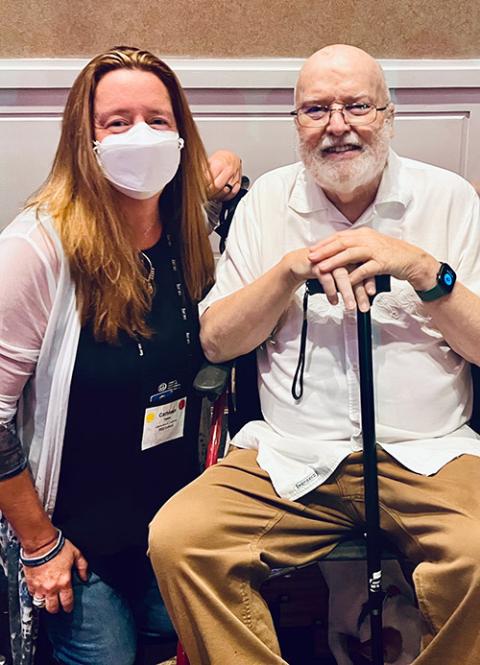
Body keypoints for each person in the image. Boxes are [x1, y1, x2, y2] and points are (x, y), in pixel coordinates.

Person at [149, 44, 480, 665]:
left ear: (388, 114)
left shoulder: (450, 200)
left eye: (357, 105)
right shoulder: (267, 203)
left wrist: (422, 269)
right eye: (316, 109)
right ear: (297, 122)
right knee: (180, 540)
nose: (337, 124)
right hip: (292, 457)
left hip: (429, 452)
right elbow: (217, 341)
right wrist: (285, 274)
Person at [0, 45, 242, 665]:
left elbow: (237, 192)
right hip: (72, 541)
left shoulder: (190, 233)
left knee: (174, 645)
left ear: (181, 135)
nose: (141, 136)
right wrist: (38, 544)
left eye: (158, 121)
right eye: (117, 121)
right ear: (85, 139)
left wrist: (230, 171)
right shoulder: (37, 249)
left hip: (172, 523)